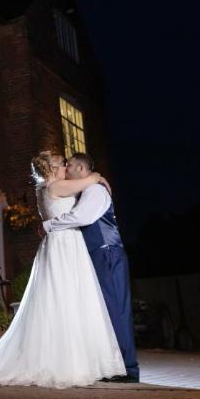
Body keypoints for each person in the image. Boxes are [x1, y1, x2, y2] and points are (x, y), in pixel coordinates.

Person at [0, 150, 125, 388]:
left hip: (57, 245)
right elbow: (91, 179)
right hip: (65, 245)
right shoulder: (57, 186)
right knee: (67, 298)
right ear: (52, 169)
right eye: (62, 164)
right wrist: (99, 176)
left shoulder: (42, 189)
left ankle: (68, 356)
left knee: (60, 299)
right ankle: (69, 361)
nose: (65, 167)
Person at [45, 152, 139, 383]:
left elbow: (83, 217)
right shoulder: (88, 188)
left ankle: (128, 369)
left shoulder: (95, 191)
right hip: (99, 254)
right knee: (105, 311)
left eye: (69, 166)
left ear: (79, 168)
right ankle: (113, 365)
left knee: (116, 310)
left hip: (107, 253)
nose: (66, 170)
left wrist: (49, 225)